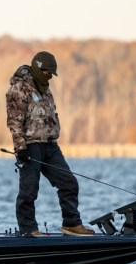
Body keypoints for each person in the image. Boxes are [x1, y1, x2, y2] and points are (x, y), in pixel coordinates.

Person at [6, 50, 95, 237]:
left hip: (50, 145)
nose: (50, 76)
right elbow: (14, 121)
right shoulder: (19, 88)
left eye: (52, 74)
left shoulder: (45, 89)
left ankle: (71, 224)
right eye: (48, 72)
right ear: (39, 68)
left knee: (69, 183)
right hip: (30, 146)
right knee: (29, 190)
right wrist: (20, 148)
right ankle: (28, 229)